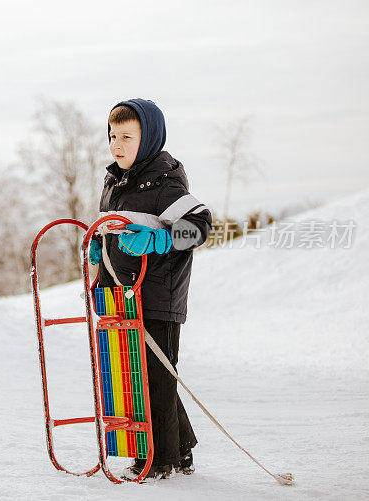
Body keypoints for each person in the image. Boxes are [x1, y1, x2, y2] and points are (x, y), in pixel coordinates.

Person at [89, 98, 212, 480]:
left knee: (155, 378)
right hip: (122, 293)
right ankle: (182, 449)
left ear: (150, 139)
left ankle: (157, 461)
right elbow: (115, 231)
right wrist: (99, 246)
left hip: (158, 295)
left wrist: (159, 241)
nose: (117, 144)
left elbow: (201, 226)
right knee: (140, 373)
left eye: (127, 136)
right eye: (113, 136)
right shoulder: (114, 184)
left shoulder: (165, 183)